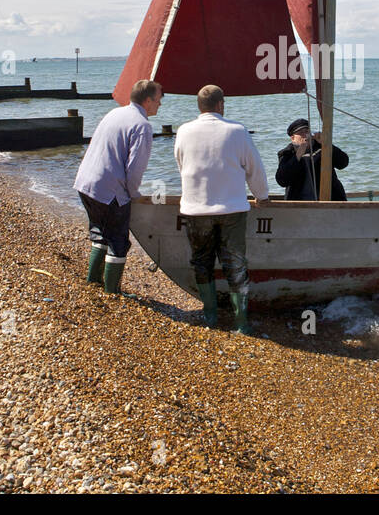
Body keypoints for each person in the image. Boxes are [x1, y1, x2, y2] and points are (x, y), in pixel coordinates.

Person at [174, 85, 269, 333]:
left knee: (201, 263)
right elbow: (254, 169)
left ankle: (210, 317)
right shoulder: (237, 131)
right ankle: (241, 323)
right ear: (220, 105)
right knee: (236, 265)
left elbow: (181, 164)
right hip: (232, 210)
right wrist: (262, 196)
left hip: (195, 210)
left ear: (199, 106)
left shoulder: (183, 131)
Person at [73, 79, 162, 295]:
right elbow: (135, 168)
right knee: (118, 240)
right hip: (109, 189)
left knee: (100, 232)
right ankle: (112, 291)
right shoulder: (142, 126)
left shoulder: (114, 113)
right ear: (148, 100)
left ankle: (93, 281)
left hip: (86, 183)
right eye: (159, 99)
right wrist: (134, 195)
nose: (161, 103)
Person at [275, 118, 349, 201]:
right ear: (293, 138)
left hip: (330, 199)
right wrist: (298, 155)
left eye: (307, 131)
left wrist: (327, 144)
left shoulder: (321, 147)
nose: (305, 135)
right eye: (300, 133)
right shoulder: (287, 153)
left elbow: (343, 163)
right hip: (299, 202)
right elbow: (282, 180)